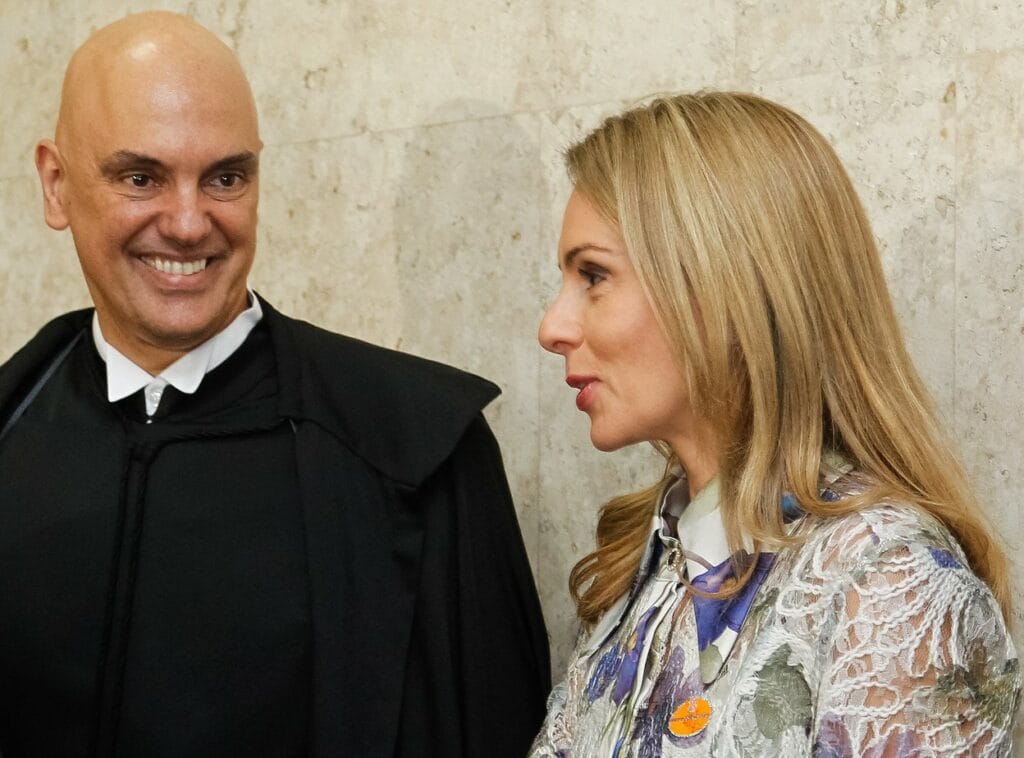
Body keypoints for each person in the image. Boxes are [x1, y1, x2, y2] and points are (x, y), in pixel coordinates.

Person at [0, 11, 549, 757]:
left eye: (225, 178)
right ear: (56, 185)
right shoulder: (13, 426)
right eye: (141, 178)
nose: (188, 224)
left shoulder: (416, 453)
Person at [531, 91, 1021, 756]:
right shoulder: (645, 568)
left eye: (594, 275)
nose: (552, 327)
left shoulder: (885, 585)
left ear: (728, 286)